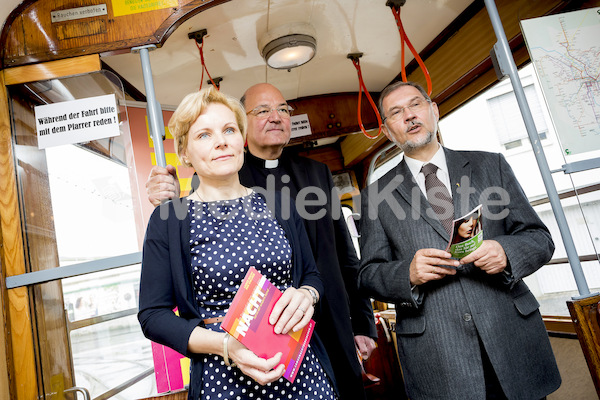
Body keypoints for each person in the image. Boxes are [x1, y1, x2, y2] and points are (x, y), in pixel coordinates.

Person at [146, 83, 378, 400]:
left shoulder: (281, 204)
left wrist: (308, 294)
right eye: (204, 135)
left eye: (229, 130)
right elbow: (153, 316)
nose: (220, 142)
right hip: (224, 378)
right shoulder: (170, 220)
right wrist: (227, 347)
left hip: (302, 370)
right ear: (184, 153)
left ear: (241, 140)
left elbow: (315, 272)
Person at [357, 81, 561, 399]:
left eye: (415, 105)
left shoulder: (490, 166)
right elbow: (368, 274)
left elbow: (539, 238)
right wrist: (406, 274)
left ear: (433, 110)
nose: (409, 115)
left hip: (511, 337)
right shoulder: (374, 196)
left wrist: (505, 251)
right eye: (396, 112)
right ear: (387, 131)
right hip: (439, 355)